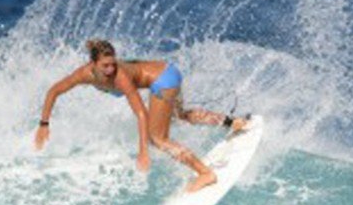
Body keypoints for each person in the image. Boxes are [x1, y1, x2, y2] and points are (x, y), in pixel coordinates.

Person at [34, 39, 247, 192]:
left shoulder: (120, 78)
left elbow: (140, 113)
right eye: (105, 65)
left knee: (158, 139)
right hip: (168, 71)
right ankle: (232, 122)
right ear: (93, 64)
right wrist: (44, 124)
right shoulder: (83, 75)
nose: (110, 69)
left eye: (112, 64)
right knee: (179, 115)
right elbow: (54, 91)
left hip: (163, 81)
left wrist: (143, 150)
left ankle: (205, 174)